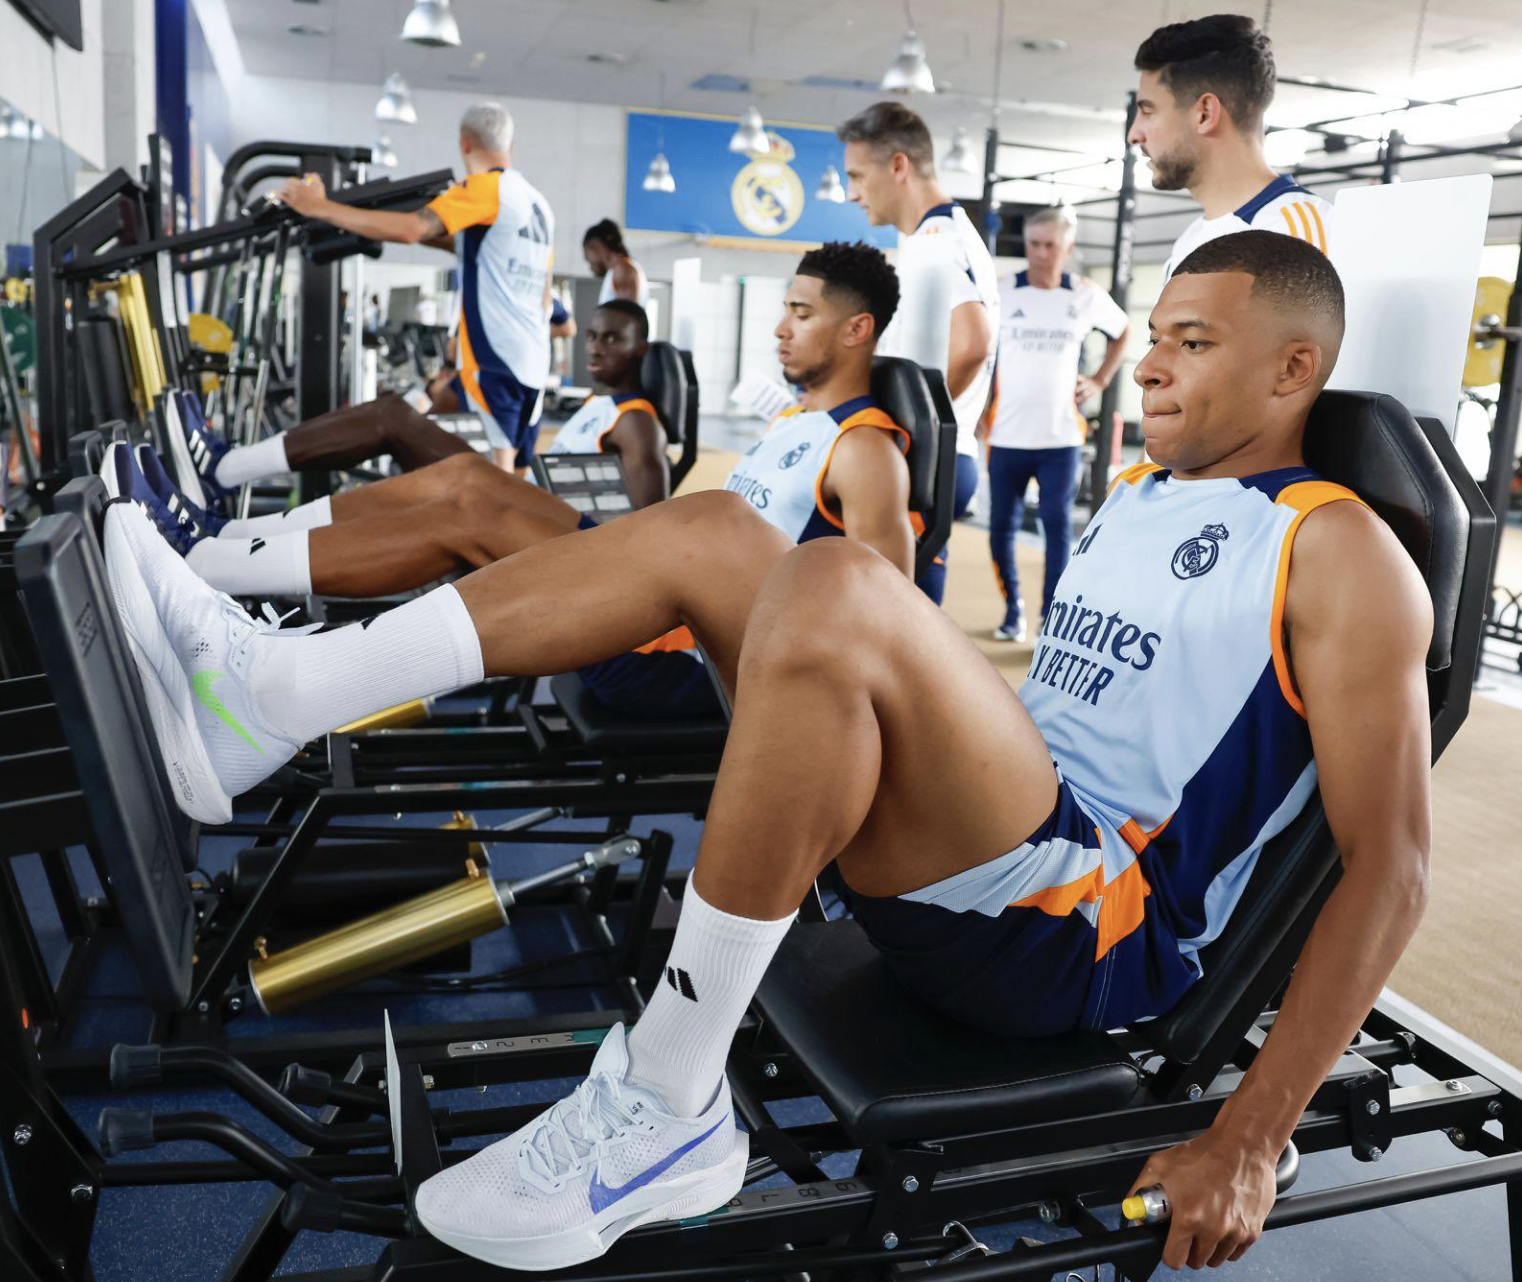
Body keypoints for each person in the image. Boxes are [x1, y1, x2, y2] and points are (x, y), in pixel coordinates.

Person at [106, 229, 1433, 1274]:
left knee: (833, 582)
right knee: (721, 538)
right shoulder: (1142, 500)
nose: (1144, 364)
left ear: (1289, 371)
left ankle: (668, 1099)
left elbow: (1393, 866)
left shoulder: (1339, 548)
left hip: (1084, 926)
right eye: (1150, 337)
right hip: (980, 848)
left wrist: (1249, 1136)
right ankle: (272, 695)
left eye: (1188, 344)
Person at [109, 303, 667, 601]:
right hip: (551, 514)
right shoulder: (596, 404)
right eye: (592, 336)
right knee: (441, 456)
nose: (595, 347)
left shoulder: (639, 424)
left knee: (437, 472)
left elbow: (642, 539)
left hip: (588, 561)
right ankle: (219, 531)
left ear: (640, 349)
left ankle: (214, 523)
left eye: (611, 339)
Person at [280, 102, 555, 474]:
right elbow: (539, 293)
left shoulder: (485, 188)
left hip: (496, 361)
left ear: (464, 143)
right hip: (534, 363)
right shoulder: (537, 204)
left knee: (497, 479)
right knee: (515, 476)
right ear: (511, 144)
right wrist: (371, 223)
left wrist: (322, 207)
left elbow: (413, 229)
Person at [837, 101, 996, 599]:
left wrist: (910, 433)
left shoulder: (935, 242)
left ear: (898, 166)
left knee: (895, 626)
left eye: (858, 176)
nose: (851, 193)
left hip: (928, 459)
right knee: (909, 628)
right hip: (940, 456)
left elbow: (973, 343)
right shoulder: (942, 234)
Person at [985, 205, 1130, 642]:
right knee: (1000, 529)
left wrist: (1101, 380)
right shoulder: (1003, 291)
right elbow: (980, 350)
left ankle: (1052, 616)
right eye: (1034, 244)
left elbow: (1123, 331)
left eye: (1051, 245)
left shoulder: (1083, 295)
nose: (1041, 253)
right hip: (1006, 434)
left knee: (1056, 526)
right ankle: (1013, 609)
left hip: (1061, 437)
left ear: (1067, 248)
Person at [1131, 14, 1332, 278]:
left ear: (1204, 113)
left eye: (1148, 111)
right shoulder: (1189, 242)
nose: (1134, 134)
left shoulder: (1297, 234)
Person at [583, 220, 651, 307]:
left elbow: (628, 315)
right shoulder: (619, 269)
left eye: (586, 252)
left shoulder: (622, 269)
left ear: (596, 246)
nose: (586, 259)